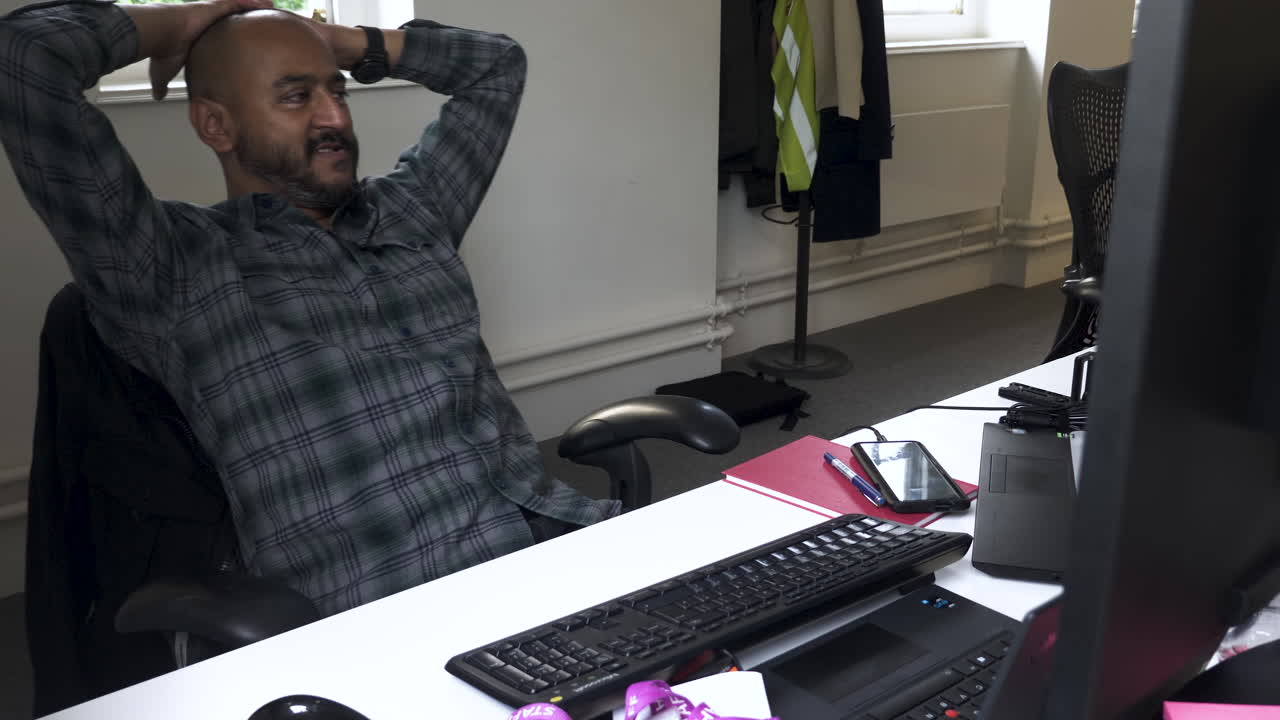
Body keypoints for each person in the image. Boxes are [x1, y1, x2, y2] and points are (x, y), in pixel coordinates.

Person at [0, 0, 619, 617]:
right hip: (397, 613)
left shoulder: (413, 211)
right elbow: (23, 56)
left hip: (566, 545)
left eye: (338, 92)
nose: (334, 119)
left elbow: (496, 66)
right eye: (296, 97)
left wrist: (340, 42)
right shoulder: (165, 267)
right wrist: (180, 24)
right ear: (216, 125)